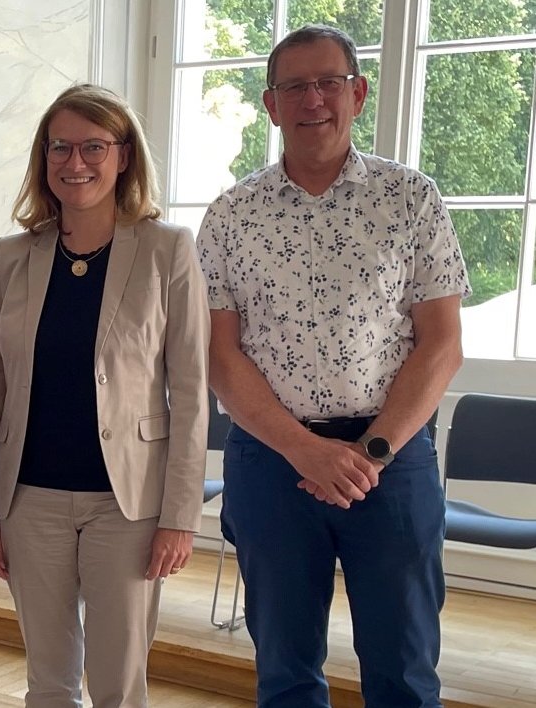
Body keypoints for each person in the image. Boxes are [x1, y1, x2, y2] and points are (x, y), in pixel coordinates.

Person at [197, 24, 469, 708]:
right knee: (284, 672)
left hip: (392, 455)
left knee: (403, 671)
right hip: (271, 459)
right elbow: (219, 355)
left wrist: (367, 454)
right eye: (294, 86)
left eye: (327, 82)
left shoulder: (411, 198)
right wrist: (305, 451)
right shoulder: (231, 215)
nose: (311, 98)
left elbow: (440, 345)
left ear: (357, 92)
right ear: (270, 104)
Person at [0, 84, 209, 708]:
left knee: (118, 684)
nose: (76, 163)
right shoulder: (12, 257)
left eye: (93, 146)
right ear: (44, 160)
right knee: (48, 680)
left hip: (127, 508)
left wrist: (180, 517)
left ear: (123, 155)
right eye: (60, 148)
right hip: (29, 500)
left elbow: (191, 393)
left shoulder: (167, 251)